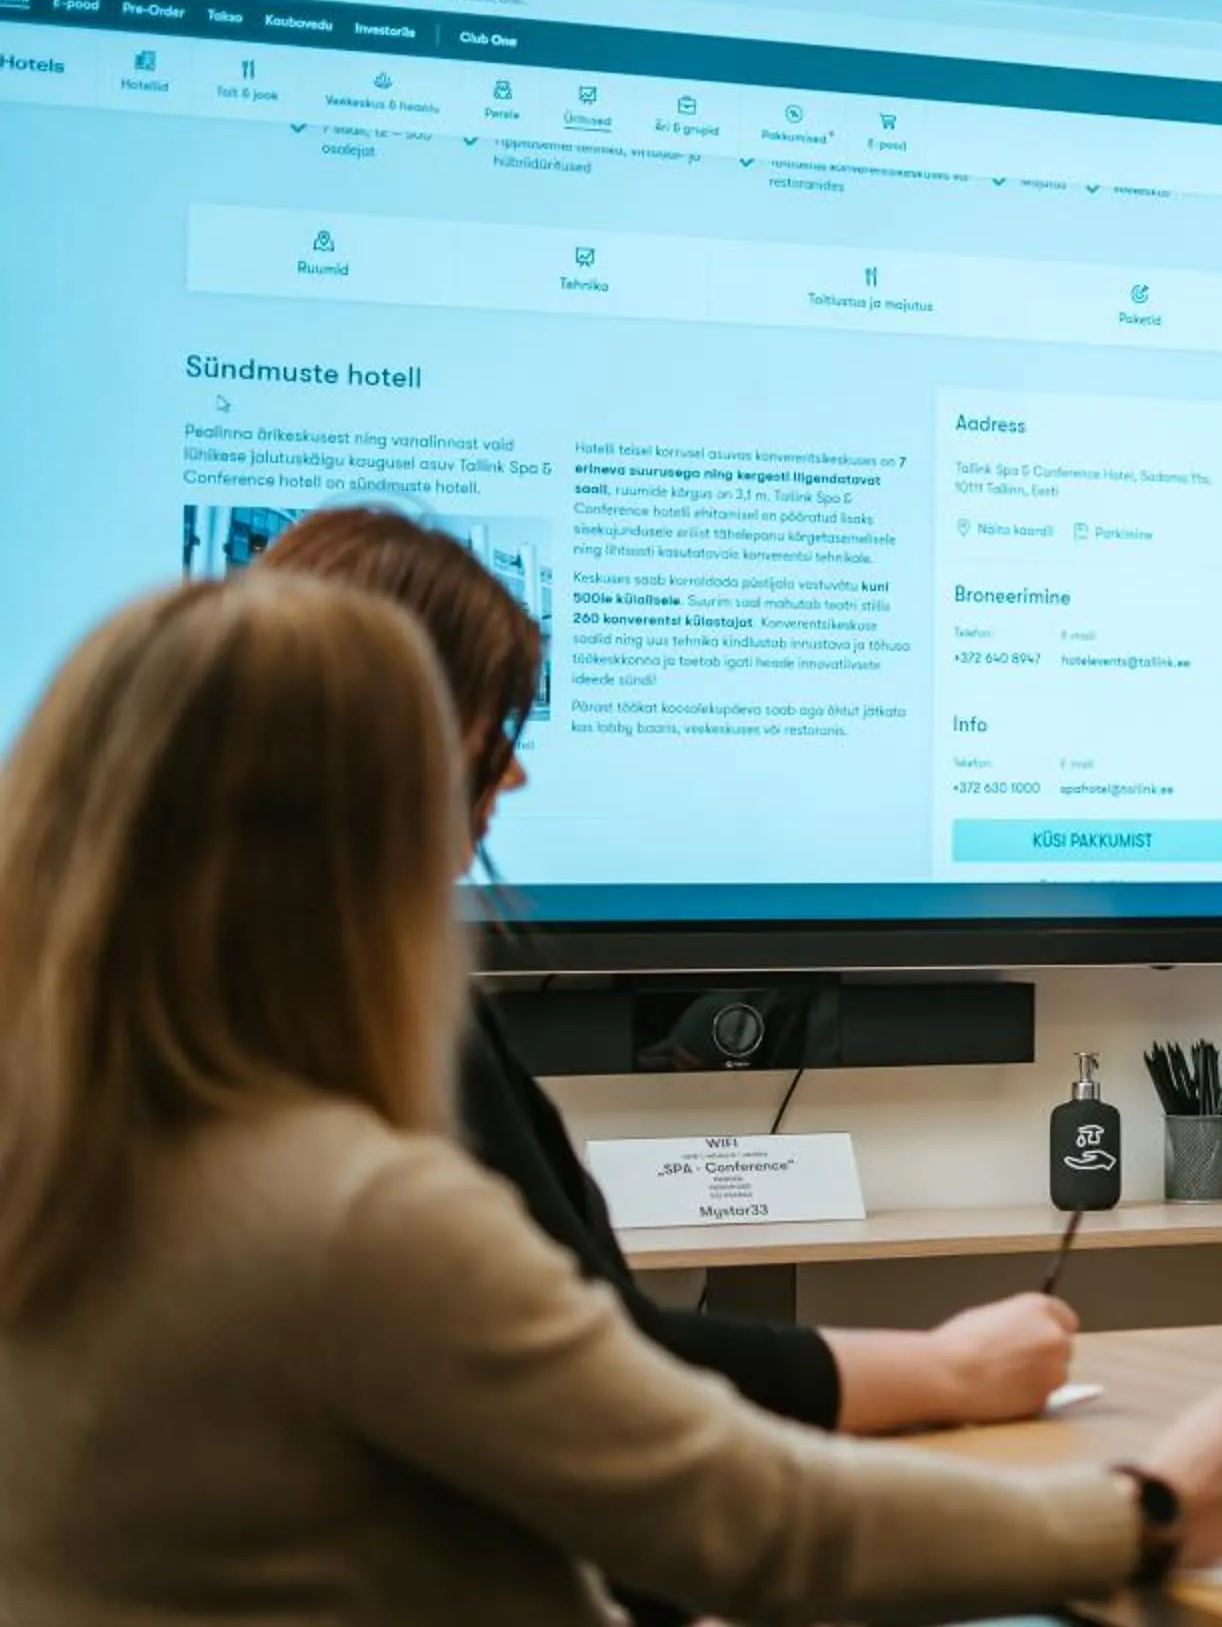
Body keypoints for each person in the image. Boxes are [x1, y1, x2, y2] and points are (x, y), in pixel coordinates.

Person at [0, 574, 1222, 1623]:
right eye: (468, 770)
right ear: (358, 845)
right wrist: (1159, 1503)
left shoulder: (60, 1160)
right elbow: (760, 1526)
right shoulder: (347, 1215)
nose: (503, 798)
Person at [253, 507, 1082, 1625]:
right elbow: (605, 1369)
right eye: (496, 731)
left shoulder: (249, 997)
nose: (518, 778)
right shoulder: (362, 1018)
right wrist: (958, 1379)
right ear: (399, 737)